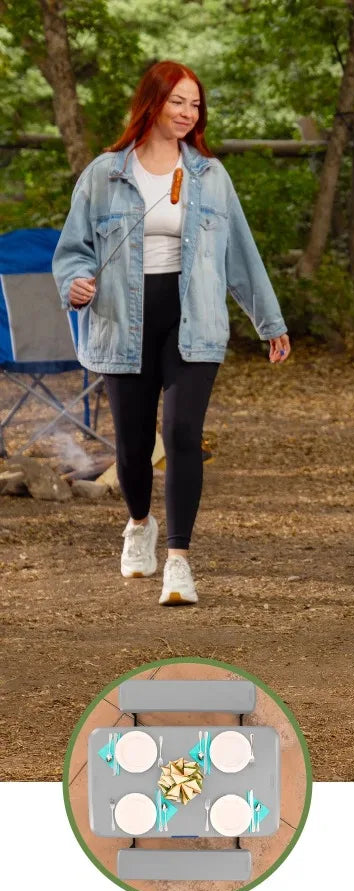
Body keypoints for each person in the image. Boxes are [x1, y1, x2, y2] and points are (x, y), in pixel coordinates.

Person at [53, 61, 289, 606]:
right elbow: (72, 252)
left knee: (183, 437)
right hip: (121, 322)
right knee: (133, 448)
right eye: (178, 101)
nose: (187, 113)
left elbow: (241, 257)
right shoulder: (104, 174)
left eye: (195, 104)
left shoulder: (210, 176)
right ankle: (140, 523)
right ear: (152, 103)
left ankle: (179, 561)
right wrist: (76, 283)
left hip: (194, 319)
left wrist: (269, 322)